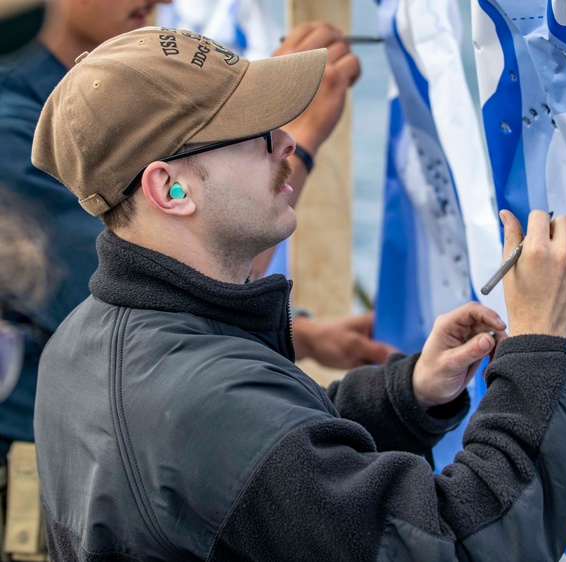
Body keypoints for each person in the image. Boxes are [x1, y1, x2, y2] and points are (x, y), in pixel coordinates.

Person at [32, 26, 566, 561]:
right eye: (256, 132)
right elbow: (459, 547)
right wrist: (540, 345)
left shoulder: (85, 343)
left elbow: (267, 480)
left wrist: (407, 396)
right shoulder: (204, 406)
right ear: (169, 188)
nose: (285, 142)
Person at [0, 0, 394, 458]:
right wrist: (299, 138)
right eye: (251, 131)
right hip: (47, 460)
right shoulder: (12, 131)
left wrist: (302, 333)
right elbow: (167, 276)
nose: (160, 2)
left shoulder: (76, 106)